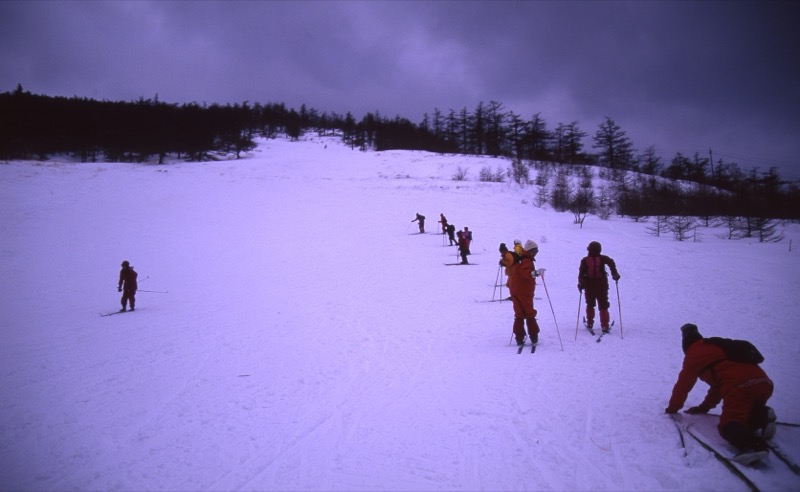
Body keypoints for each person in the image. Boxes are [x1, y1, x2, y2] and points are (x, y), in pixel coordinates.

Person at [665, 324, 775, 461]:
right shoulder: (713, 347)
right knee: (745, 417)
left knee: (729, 425)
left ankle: (754, 446)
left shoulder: (693, 355)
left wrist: (672, 408)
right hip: (764, 383)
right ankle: (762, 415)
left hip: (741, 386)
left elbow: (683, 385)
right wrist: (703, 408)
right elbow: (718, 388)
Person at [577, 241, 620, 333]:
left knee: (590, 304)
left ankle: (590, 323)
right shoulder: (603, 258)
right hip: (602, 285)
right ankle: (604, 325)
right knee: (603, 305)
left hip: (589, 285)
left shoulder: (585, 260)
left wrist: (581, 284)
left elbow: (581, 274)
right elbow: (611, 263)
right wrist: (615, 274)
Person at [508, 240, 540, 347]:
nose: (536, 253)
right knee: (529, 313)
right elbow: (527, 273)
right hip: (524, 291)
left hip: (514, 290)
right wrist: (537, 273)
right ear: (530, 250)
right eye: (535, 250)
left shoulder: (519, 258)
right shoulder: (526, 260)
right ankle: (533, 336)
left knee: (519, 314)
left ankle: (519, 337)